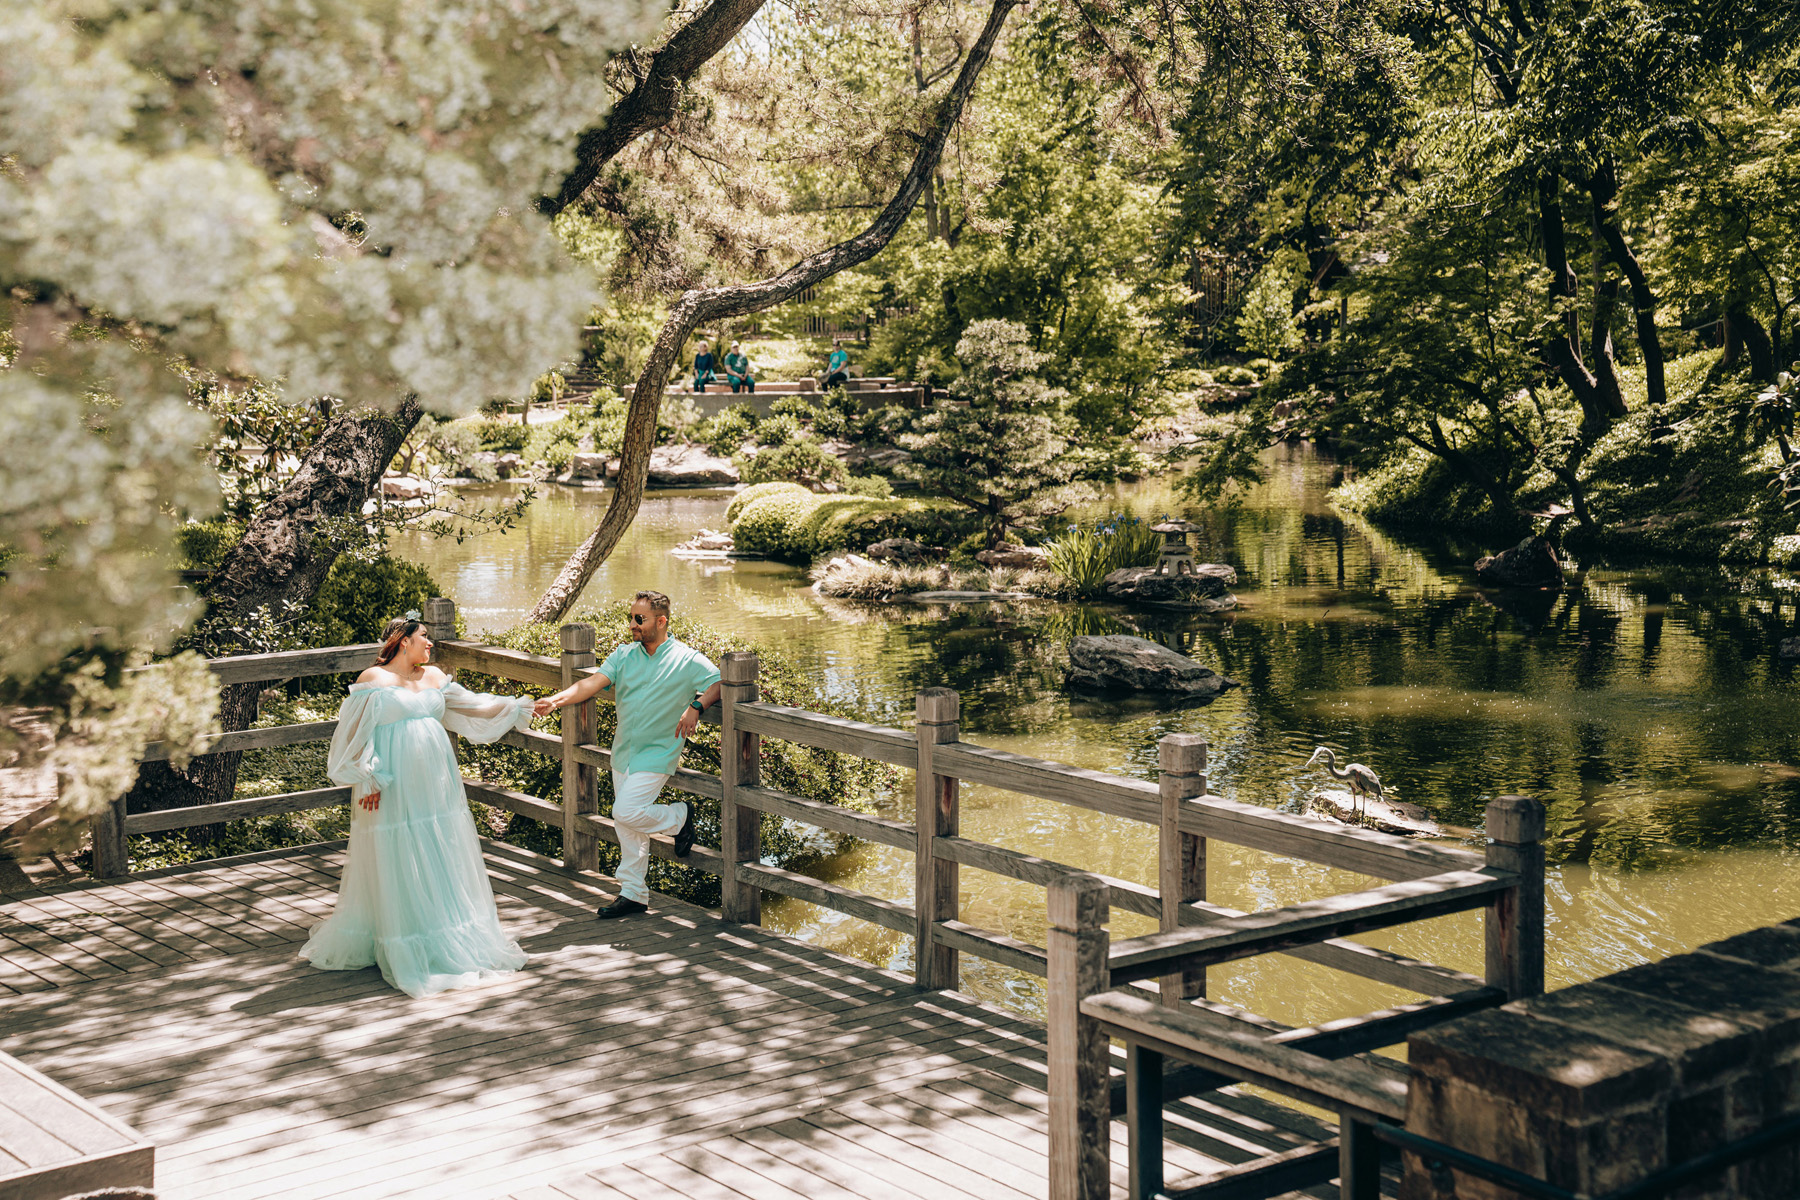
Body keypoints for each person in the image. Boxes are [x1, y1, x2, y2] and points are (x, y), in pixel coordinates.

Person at [302, 612, 533, 998]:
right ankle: (399, 936)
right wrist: (368, 777)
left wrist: (518, 706)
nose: (430, 643)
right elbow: (355, 734)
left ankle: (441, 931)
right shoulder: (373, 679)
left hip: (435, 784)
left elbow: (475, 706)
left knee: (437, 847)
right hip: (389, 782)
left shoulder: (435, 677)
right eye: (423, 636)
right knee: (396, 850)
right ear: (403, 639)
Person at [534, 591, 721, 919]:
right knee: (628, 829)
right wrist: (555, 700)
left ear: (661, 622)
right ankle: (633, 894)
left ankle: (679, 817)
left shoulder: (686, 659)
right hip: (623, 753)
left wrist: (697, 705)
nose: (632, 624)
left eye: (639, 619)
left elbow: (721, 682)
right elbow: (591, 684)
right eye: (631, 618)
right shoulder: (623, 655)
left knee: (625, 812)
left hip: (658, 753)